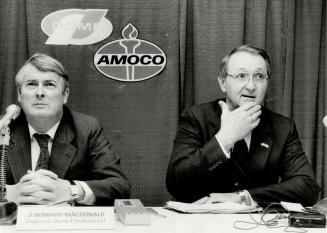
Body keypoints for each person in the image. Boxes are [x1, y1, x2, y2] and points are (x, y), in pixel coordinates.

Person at [166, 45, 320, 207]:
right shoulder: (196, 117)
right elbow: (176, 183)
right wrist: (225, 140)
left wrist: (243, 197)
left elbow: (307, 187)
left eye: (259, 76)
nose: (251, 86)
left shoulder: (282, 127)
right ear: (223, 82)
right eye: (241, 76)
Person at [5, 53, 130, 206]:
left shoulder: (87, 129)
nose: (39, 92)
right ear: (19, 94)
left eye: (49, 84)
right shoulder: (5, 129)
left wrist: (72, 191)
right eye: (31, 84)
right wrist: (8, 193)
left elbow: (119, 186)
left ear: (65, 95)